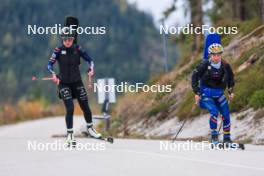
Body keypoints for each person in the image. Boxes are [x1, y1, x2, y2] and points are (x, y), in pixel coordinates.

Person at [47, 28, 102, 146]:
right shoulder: (58, 50)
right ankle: (70, 135)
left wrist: (91, 69)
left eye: (70, 39)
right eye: (65, 39)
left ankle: (90, 129)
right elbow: (49, 64)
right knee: (70, 108)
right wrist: (53, 74)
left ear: (73, 39)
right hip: (64, 83)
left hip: (77, 82)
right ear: (62, 39)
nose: (67, 41)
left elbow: (90, 60)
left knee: (85, 106)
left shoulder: (78, 49)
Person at [191, 43, 235, 144]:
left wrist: (230, 92)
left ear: (221, 55)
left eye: (218, 55)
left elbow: (231, 79)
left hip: (219, 94)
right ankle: (214, 137)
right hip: (206, 94)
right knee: (214, 111)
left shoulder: (225, 65)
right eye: (214, 55)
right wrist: (196, 92)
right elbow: (194, 77)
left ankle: (227, 138)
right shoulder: (204, 65)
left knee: (226, 115)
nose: (216, 57)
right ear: (210, 55)